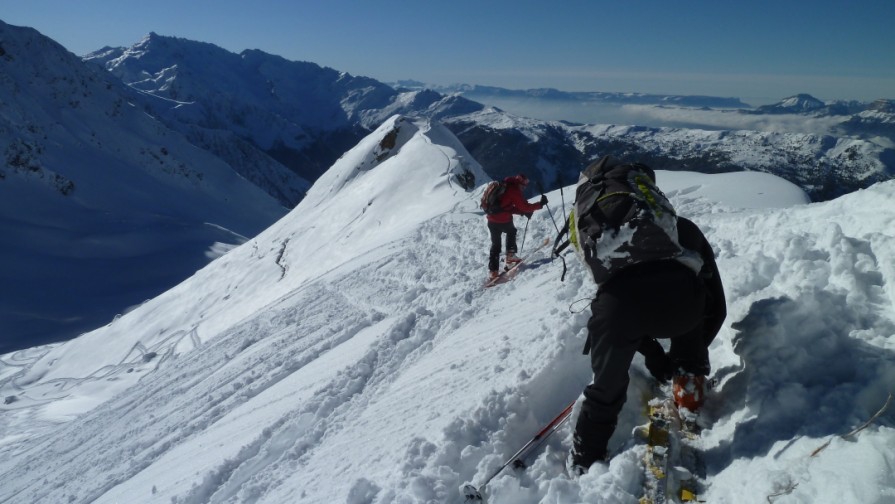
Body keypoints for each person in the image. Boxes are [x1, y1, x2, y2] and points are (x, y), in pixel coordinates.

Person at [570, 212, 727, 472]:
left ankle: (583, 465)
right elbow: (717, 308)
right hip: (683, 302)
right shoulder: (683, 228)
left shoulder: (603, 233)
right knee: (692, 302)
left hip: (617, 311)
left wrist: (653, 354)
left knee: (605, 391)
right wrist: (690, 358)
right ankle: (689, 398)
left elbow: (627, 299)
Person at [486, 174, 547, 279]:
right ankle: (510, 257)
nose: (523, 189)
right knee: (511, 231)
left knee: (495, 245)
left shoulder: (503, 185)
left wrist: (522, 212)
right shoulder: (513, 190)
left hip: (491, 220)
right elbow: (525, 206)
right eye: (523, 186)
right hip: (503, 220)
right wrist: (540, 204)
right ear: (519, 183)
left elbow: (505, 207)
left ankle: (493, 271)